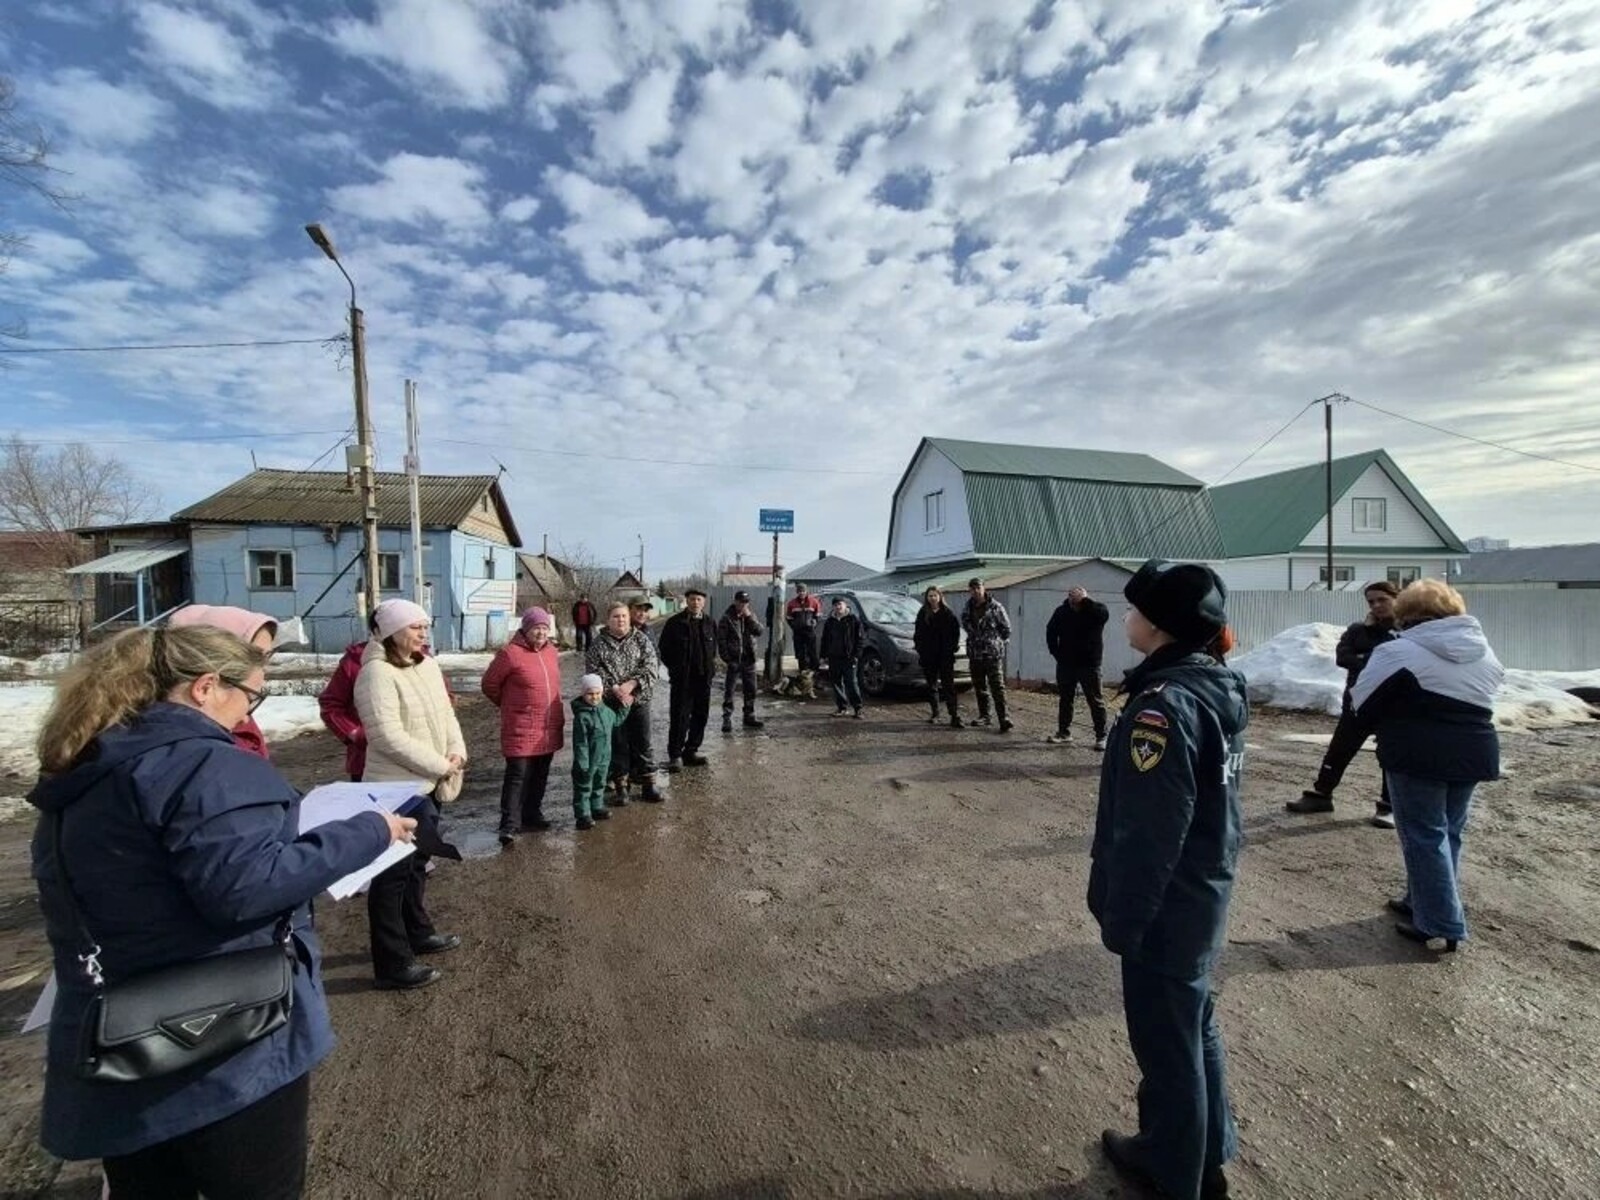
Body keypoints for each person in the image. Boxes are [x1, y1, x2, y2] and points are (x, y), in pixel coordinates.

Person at [29, 624, 413, 1196]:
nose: (248, 713)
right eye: (251, 695)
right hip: (224, 1042)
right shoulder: (202, 764)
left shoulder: (90, 764)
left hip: (121, 1036)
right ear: (206, 687)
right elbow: (246, 888)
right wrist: (368, 832)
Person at [1089, 559, 1246, 1200]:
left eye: (1134, 610)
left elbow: (1152, 833)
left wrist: (1125, 917)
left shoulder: (1164, 707)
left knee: (1166, 1043)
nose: (1125, 617)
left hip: (1167, 905)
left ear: (1158, 626)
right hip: (1199, 892)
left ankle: (1174, 1171)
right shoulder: (1210, 684)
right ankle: (1203, 1153)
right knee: (1193, 1025)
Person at [1351, 579, 1503, 953]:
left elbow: (1362, 702)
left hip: (1416, 751)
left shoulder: (1397, 650)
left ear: (1405, 613)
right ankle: (1422, 900)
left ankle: (1439, 921)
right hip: (1473, 750)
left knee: (1423, 834)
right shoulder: (1483, 651)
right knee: (1449, 831)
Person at [355, 599, 466, 990]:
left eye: (424, 625)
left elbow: (447, 715)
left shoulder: (427, 665)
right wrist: (439, 764)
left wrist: (456, 752)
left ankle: (418, 932)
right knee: (391, 875)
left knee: (418, 863)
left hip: (429, 783)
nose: (423, 632)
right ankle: (392, 962)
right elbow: (386, 736)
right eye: (415, 627)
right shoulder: (376, 673)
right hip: (395, 789)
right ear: (391, 632)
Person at [1286, 580, 1401, 828]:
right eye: (1371, 601)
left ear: (1397, 599)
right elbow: (1343, 657)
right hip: (1358, 703)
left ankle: (1389, 806)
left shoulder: (1408, 631)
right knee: (1339, 749)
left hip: (1393, 705)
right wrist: (1374, 657)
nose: (1376, 605)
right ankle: (1320, 795)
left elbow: (1401, 661)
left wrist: (1366, 657)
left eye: (1382, 599)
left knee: (1390, 754)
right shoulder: (1359, 630)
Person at [481, 607, 565, 845]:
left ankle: (532, 813)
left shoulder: (552, 652)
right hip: (521, 726)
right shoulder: (510, 654)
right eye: (536, 628)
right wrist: (510, 705)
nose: (541, 633)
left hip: (548, 725)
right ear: (526, 629)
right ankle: (509, 823)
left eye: (545, 628)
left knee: (540, 773)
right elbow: (489, 684)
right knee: (518, 775)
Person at [167, 605, 279, 757]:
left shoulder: (234, 714)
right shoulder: (189, 746)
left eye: (267, 656)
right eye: (256, 657)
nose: (263, 667)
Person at [586, 601, 664, 804]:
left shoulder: (641, 639)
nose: (620, 620)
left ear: (629, 618)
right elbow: (593, 671)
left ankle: (648, 784)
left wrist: (631, 686)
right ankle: (621, 787)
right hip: (612, 702)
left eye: (623, 616)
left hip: (638, 700)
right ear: (608, 620)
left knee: (643, 742)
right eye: (616, 616)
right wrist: (615, 689)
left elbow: (651, 666)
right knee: (617, 743)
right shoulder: (598, 644)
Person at [658, 588, 718, 771]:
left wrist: (710, 669)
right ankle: (675, 755)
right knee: (680, 717)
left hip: (703, 679)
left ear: (704, 602)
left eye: (699, 599)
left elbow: (713, 649)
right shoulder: (675, 623)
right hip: (682, 680)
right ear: (687, 601)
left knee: (701, 715)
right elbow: (664, 649)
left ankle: (691, 751)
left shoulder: (710, 623)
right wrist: (676, 669)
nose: (695, 603)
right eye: (692, 599)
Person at [1046, 586, 1110, 750]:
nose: (1074, 604)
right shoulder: (1061, 612)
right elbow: (1051, 631)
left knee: (1095, 700)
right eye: (1071, 600)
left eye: (1077, 601)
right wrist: (1056, 653)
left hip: (1089, 664)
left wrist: (1086, 602)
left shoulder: (1095, 611)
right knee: (1065, 699)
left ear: (1085, 599)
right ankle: (1064, 733)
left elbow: (1104, 616)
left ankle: (1102, 736)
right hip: (1066, 664)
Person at [571, 673, 627, 830]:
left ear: (602, 693)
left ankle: (596, 807)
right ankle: (583, 815)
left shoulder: (606, 711)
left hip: (604, 757)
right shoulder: (582, 717)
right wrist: (582, 762)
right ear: (583, 694)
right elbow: (580, 743)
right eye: (590, 694)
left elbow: (616, 721)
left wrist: (625, 708)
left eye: (597, 693)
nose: (594, 697)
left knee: (599, 782)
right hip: (587, 760)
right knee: (584, 785)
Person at [961, 577, 1014, 732]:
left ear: (984, 588)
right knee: (980, 687)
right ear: (969, 591)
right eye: (973, 589)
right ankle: (985, 716)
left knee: (997, 687)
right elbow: (966, 625)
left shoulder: (995, 607)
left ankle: (1004, 718)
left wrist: (995, 642)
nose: (976, 591)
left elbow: (1006, 629)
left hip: (992, 654)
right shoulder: (967, 608)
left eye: (978, 587)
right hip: (975, 654)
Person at [913, 585, 963, 728]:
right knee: (932, 686)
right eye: (930, 596)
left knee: (949, 686)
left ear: (940, 597)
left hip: (945, 656)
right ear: (927, 598)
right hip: (929, 656)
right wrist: (921, 650)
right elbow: (918, 634)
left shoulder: (948, 613)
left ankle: (954, 715)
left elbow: (955, 633)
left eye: (935, 595)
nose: (933, 598)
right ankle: (935, 713)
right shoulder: (923, 613)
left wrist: (951, 649)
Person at [718, 590, 766, 734]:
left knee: (751, 689)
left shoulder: (750, 615)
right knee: (730, 690)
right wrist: (727, 659)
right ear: (735, 601)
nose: (743, 605)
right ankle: (727, 718)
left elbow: (759, 631)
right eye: (740, 602)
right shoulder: (727, 618)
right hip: (734, 660)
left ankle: (749, 716)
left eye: (745, 602)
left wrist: (749, 617)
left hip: (749, 659)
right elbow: (721, 640)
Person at [820, 595, 865, 718]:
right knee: (836, 683)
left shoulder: (853, 620)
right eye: (835, 605)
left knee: (851, 683)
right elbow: (825, 639)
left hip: (849, 658)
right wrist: (823, 656)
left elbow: (860, 639)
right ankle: (842, 707)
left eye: (840, 604)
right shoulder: (830, 621)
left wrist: (856, 655)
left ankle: (858, 708)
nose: (838, 607)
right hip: (834, 657)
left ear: (845, 605)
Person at [785, 582, 823, 699]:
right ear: (797, 592)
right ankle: (803, 682)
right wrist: (794, 626)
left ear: (806, 591)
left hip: (810, 632)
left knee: (813, 656)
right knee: (801, 656)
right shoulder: (792, 603)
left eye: (803, 591)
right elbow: (788, 618)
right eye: (799, 591)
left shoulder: (813, 601)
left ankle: (816, 680)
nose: (801, 593)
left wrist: (814, 622)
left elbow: (818, 615)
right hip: (798, 633)